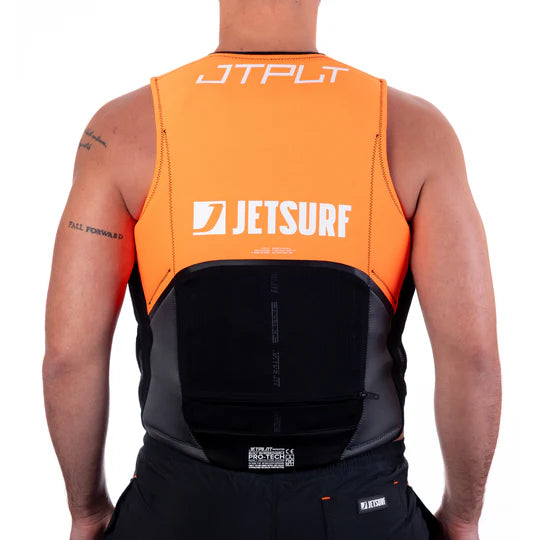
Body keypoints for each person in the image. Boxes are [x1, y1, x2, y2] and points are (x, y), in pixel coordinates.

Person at [42, 1, 501, 539]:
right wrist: (463, 518)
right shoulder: (415, 132)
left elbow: (69, 357)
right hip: (362, 507)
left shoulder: (122, 131)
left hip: (179, 505)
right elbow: (472, 358)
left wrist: (87, 512)